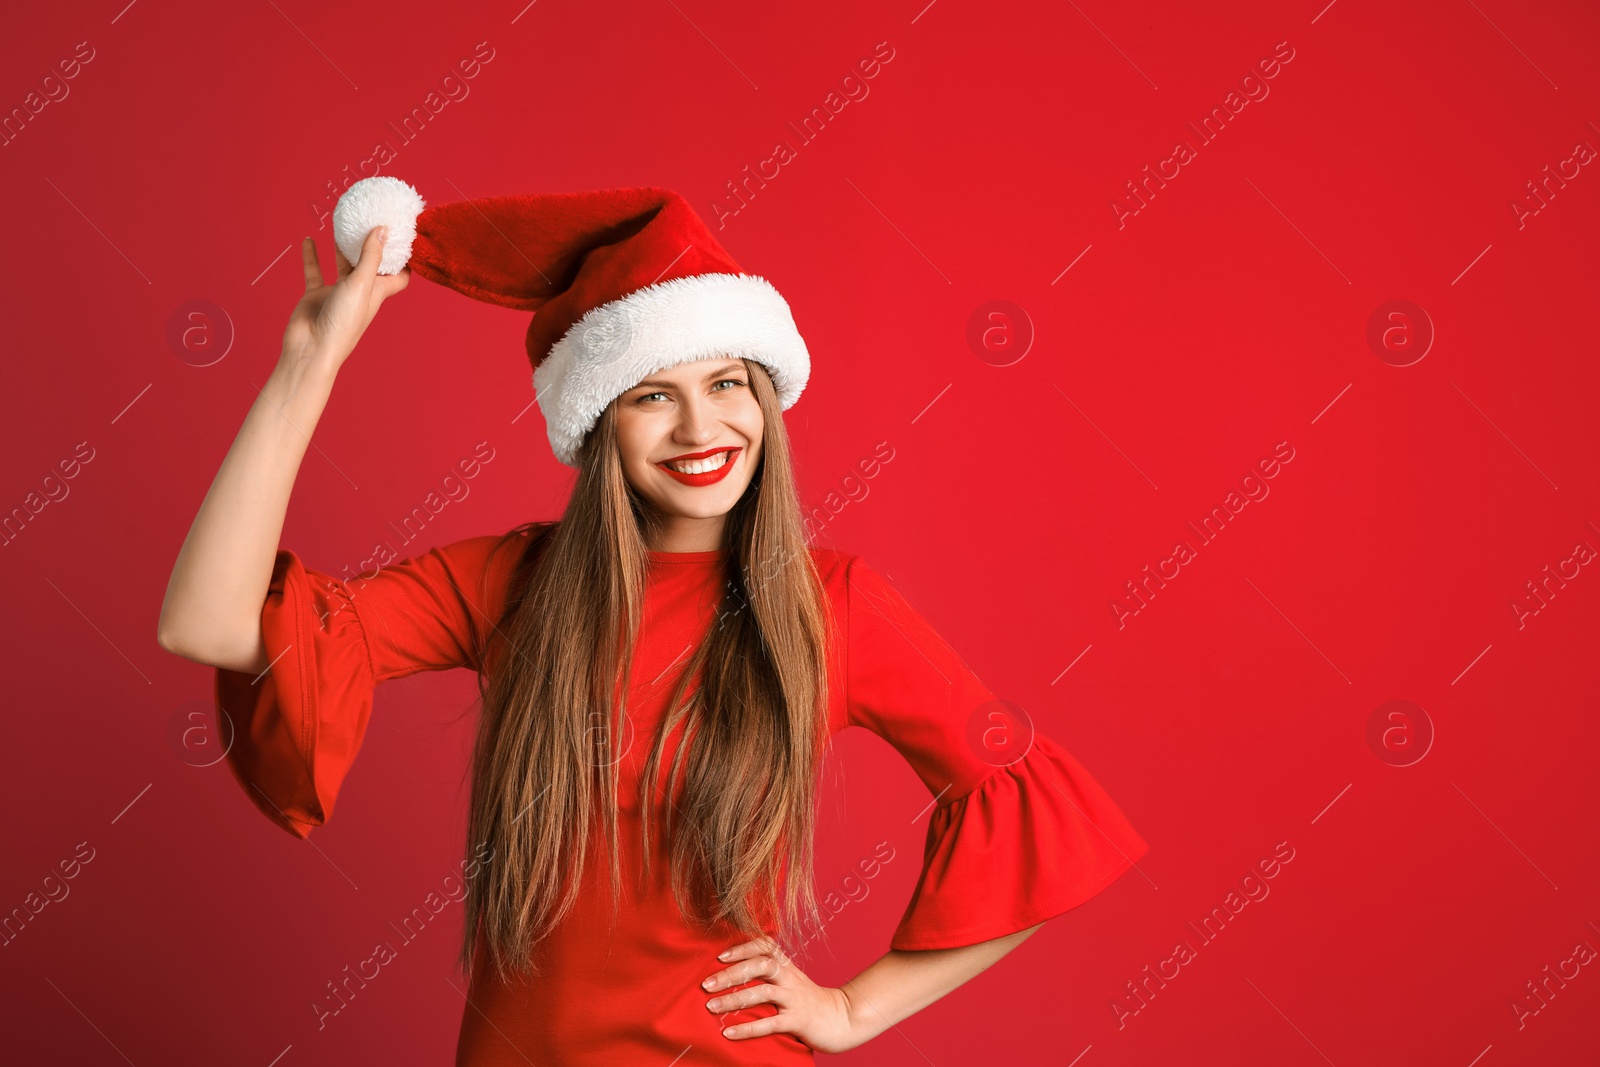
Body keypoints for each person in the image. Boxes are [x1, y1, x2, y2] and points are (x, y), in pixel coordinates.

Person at [157, 184, 1149, 1065]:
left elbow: (1035, 815)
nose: (700, 429)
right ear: (597, 423)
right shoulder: (508, 582)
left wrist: (852, 1006)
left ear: (765, 396)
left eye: (726, 384)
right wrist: (307, 363)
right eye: (650, 396)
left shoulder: (829, 602)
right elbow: (209, 620)